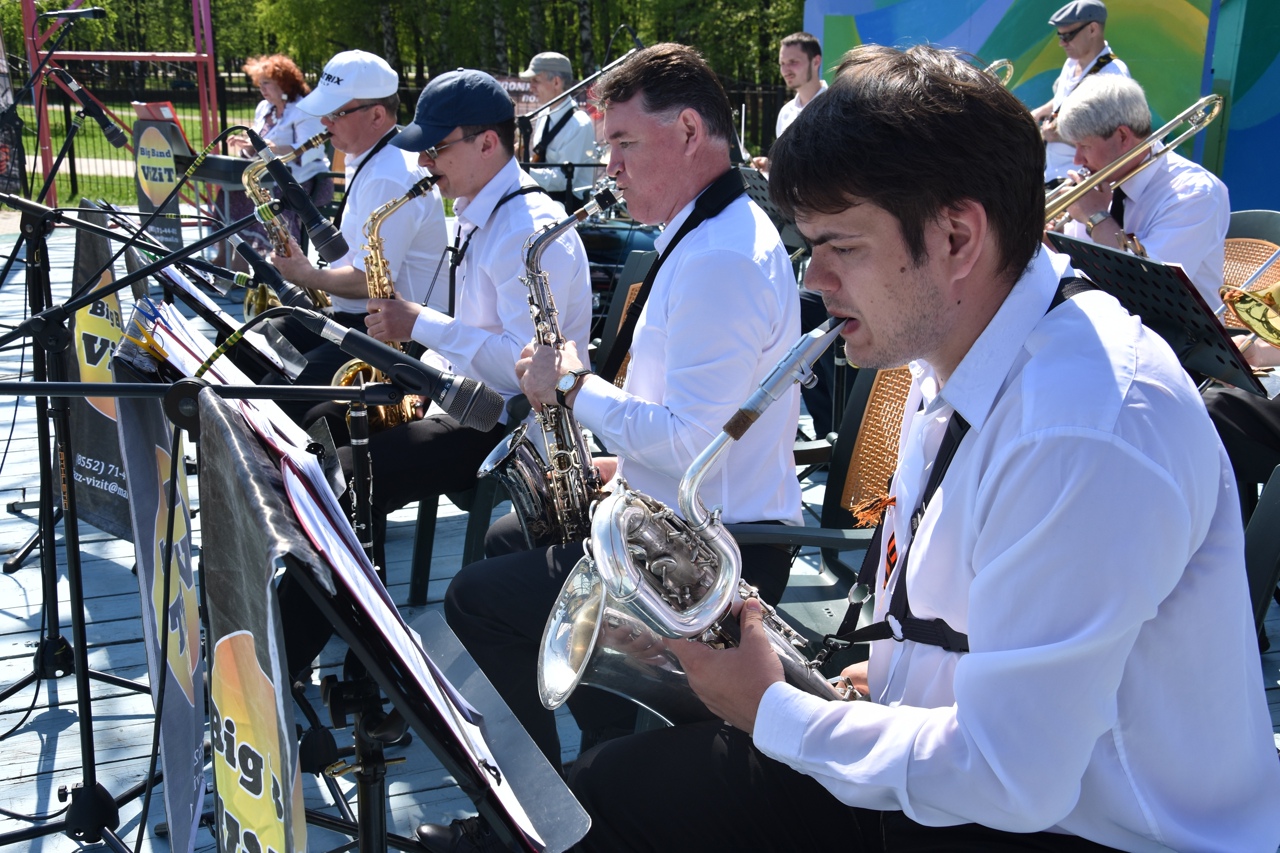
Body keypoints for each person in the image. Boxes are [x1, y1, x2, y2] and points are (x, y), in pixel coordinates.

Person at [561, 43, 1280, 852]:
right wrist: (890, 673)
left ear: (957, 236)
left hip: (1085, 829)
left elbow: (1011, 774)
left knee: (616, 802)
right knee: (616, 785)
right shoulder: (960, 345)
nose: (814, 280)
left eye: (842, 247)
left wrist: (771, 708)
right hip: (989, 784)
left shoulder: (1081, 427)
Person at [416, 42, 803, 853]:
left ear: (689, 130)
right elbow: (700, 422)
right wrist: (620, 463)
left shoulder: (722, 257)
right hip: (682, 519)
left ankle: (527, 820)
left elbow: (692, 441)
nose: (610, 166)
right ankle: (597, 749)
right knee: (508, 540)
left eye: (624, 143)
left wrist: (571, 387)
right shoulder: (703, 232)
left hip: (712, 557)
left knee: (475, 600)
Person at [267, 50, 448, 423]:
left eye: (335, 113)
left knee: (275, 396)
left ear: (377, 116)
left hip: (392, 338)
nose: (324, 121)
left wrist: (305, 275)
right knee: (256, 347)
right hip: (361, 320)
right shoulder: (372, 158)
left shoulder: (390, 174)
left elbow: (369, 282)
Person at [1055, 74, 1229, 309]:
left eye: (1084, 146)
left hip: (1171, 328)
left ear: (1123, 137)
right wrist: (1049, 240)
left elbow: (1146, 288)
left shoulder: (1196, 193)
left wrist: (1096, 218)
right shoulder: (1101, 182)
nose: (1077, 160)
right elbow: (1079, 267)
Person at [221, 54, 333, 267]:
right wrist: (248, 145)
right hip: (268, 177)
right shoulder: (264, 108)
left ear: (284, 83)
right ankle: (229, 259)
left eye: (267, 83)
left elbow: (312, 150)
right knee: (230, 193)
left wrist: (273, 149)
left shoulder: (303, 109)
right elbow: (259, 146)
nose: (261, 88)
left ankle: (277, 262)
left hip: (305, 180)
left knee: (265, 200)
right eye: (259, 83)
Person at [1029, 0, 1130, 185]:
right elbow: (1064, 98)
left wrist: (1060, 135)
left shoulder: (1113, 76)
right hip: (1051, 172)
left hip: (1081, 179)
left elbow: (1114, 140)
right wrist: (1039, 112)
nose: (1061, 43)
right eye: (1059, 35)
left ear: (1092, 29)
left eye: (1068, 36)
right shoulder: (1072, 62)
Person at [517, 52, 598, 205]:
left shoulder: (579, 124)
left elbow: (563, 180)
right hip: (543, 200)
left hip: (569, 207)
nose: (531, 87)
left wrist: (521, 171)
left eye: (536, 80)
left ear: (556, 82)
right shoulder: (543, 114)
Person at [750, 31, 825, 174]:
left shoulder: (835, 109)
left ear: (816, 61)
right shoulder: (786, 112)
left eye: (793, 62)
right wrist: (771, 166)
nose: (785, 70)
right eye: (782, 63)